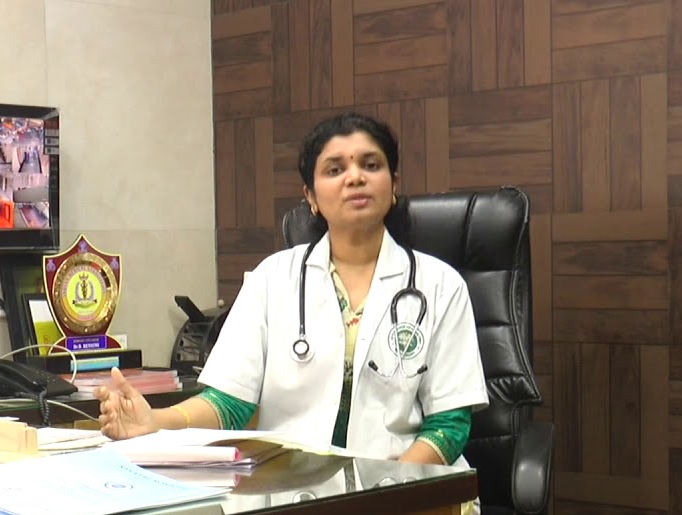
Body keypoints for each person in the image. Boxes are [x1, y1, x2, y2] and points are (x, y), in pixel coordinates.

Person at [98, 111, 488, 469]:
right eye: (335, 169)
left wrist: (388, 489)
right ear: (311, 197)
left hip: (410, 488)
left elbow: (449, 424)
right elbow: (230, 403)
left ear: (394, 185)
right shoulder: (273, 279)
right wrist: (156, 421)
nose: (355, 177)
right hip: (293, 490)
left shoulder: (440, 286)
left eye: (371, 165)